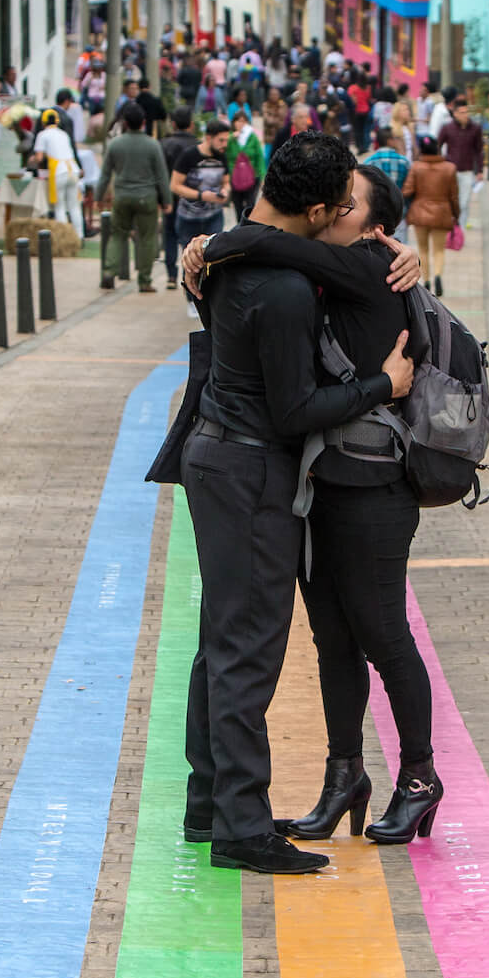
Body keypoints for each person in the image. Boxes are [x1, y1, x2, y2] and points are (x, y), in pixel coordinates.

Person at [175, 132, 414, 875]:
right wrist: (384, 386)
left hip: (217, 459)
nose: (349, 216)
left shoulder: (228, 259)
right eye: (342, 206)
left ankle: (210, 800)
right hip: (249, 470)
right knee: (248, 648)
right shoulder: (274, 286)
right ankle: (241, 826)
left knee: (223, 638)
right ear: (316, 209)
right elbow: (295, 409)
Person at [98, 106, 172, 292]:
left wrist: (99, 196)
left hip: (122, 196)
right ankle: (145, 280)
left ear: (124, 123)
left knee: (118, 234)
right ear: (144, 123)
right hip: (146, 198)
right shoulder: (152, 145)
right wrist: (166, 200)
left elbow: (105, 174)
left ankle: (109, 272)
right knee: (147, 238)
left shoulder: (115, 144)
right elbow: (161, 176)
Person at [403, 136, 460, 296]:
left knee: (423, 249)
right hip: (442, 212)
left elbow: (407, 190)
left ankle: (426, 280)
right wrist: (456, 214)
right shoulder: (449, 168)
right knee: (439, 250)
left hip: (420, 212)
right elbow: (454, 195)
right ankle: (438, 276)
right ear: (438, 148)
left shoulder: (416, 167)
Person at [171, 115, 232, 242]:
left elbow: (226, 182)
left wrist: (225, 191)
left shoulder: (222, 157)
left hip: (214, 216)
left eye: (227, 140)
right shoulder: (189, 155)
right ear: (209, 138)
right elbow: (175, 186)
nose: (224, 145)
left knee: (214, 257)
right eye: (221, 140)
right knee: (192, 259)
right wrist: (201, 196)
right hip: (189, 218)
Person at [160, 111, 201, 288]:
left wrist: (161, 198)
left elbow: (160, 175)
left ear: (173, 124)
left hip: (171, 198)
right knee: (190, 239)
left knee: (169, 234)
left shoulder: (164, 144)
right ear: (191, 124)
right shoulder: (199, 146)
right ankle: (189, 275)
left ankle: (171, 275)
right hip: (193, 200)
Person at [31, 109, 84, 236]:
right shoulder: (63, 134)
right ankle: (79, 236)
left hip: (59, 172)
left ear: (43, 122)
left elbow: (39, 158)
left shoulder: (42, 135)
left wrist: (31, 159)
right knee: (74, 206)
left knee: (59, 207)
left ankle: (64, 237)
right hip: (73, 170)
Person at [436, 95, 484, 226]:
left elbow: (479, 150)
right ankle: (449, 226)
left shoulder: (475, 128)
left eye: (467, 111)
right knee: (448, 200)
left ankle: (460, 230)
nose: (465, 115)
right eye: (462, 112)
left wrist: (480, 170)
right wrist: (440, 164)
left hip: (467, 170)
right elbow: (438, 146)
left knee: (464, 202)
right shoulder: (447, 128)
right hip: (450, 170)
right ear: (455, 113)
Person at [227, 107, 268, 221]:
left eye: (244, 121)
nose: (241, 124)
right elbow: (223, 152)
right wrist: (231, 138)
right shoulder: (229, 136)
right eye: (238, 121)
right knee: (237, 205)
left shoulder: (252, 137)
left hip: (252, 176)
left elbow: (259, 156)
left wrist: (262, 175)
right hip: (234, 176)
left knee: (250, 205)